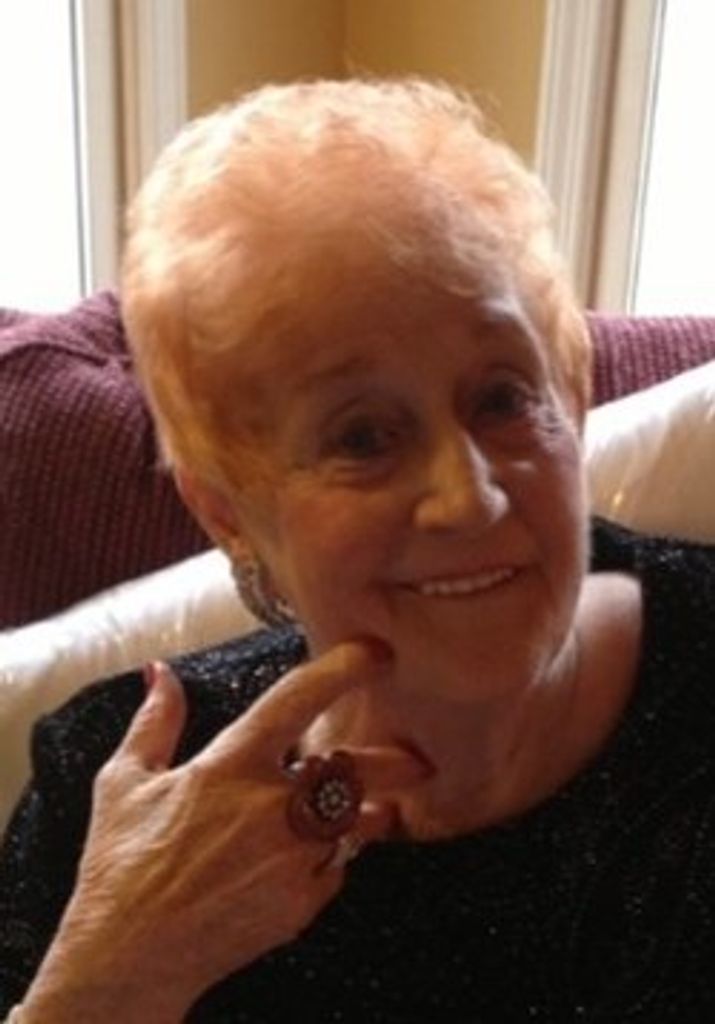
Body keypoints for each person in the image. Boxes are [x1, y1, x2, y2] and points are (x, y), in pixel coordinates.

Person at [1, 78, 714, 1024]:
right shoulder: (117, 793)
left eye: (502, 398)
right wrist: (113, 981)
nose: (470, 495)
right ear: (228, 512)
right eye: (363, 437)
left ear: (573, 403)